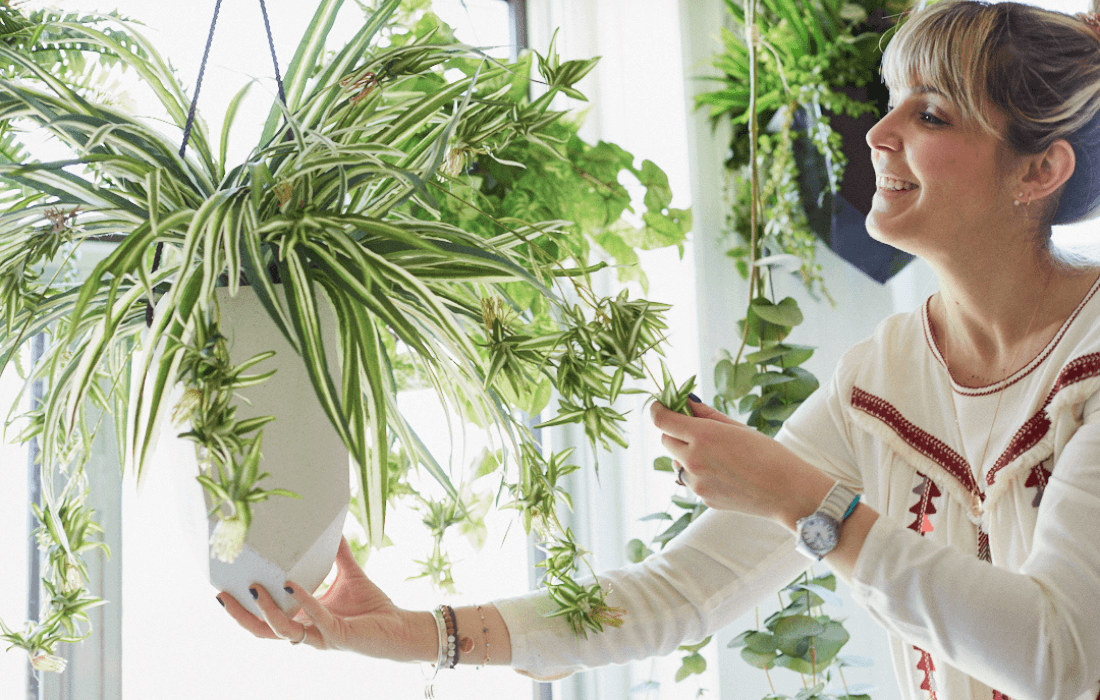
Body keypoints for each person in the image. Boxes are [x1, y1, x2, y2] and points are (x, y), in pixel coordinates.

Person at [218, 2, 1100, 698]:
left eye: (932, 114)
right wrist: (416, 631)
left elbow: (1056, 654)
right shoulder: (882, 379)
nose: (878, 132)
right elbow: (678, 593)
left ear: (1038, 172)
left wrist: (807, 502)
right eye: (892, 100)